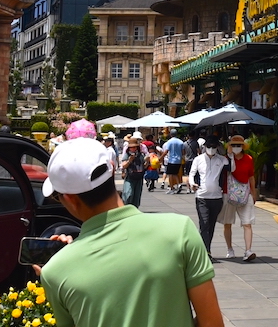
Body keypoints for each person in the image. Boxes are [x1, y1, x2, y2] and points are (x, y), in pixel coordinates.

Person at [38, 138, 223, 327]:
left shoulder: (56, 272)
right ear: (112, 170)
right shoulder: (179, 230)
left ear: (69, 199)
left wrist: (65, 261)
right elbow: (212, 322)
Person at [219, 134, 258, 261]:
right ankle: (229, 249)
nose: (236, 148)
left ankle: (248, 250)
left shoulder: (248, 159)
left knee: (247, 223)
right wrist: (230, 156)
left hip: (245, 193)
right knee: (227, 223)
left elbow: (251, 176)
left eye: (239, 145)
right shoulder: (226, 159)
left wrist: (254, 192)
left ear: (243, 147)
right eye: (233, 145)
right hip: (228, 193)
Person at [189, 135, 229, 259]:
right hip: (202, 196)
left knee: (211, 225)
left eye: (214, 147)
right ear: (205, 147)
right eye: (209, 146)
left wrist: (226, 150)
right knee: (204, 223)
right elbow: (191, 174)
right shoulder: (198, 159)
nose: (211, 149)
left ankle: (207, 249)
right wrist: (192, 183)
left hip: (216, 198)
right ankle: (205, 251)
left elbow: (231, 167)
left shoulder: (221, 159)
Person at [121, 136, 147, 207]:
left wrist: (147, 162)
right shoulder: (127, 154)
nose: (133, 149)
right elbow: (123, 165)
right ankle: (126, 207)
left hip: (139, 176)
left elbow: (143, 166)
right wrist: (129, 161)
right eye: (131, 147)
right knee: (128, 193)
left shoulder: (140, 155)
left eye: (135, 147)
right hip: (130, 176)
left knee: (137, 196)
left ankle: (135, 209)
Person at [160, 129, 185, 193]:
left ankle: (172, 188)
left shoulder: (169, 142)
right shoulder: (181, 142)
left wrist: (161, 157)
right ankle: (179, 184)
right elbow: (183, 152)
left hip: (171, 160)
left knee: (170, 174)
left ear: (170, 134)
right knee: (175, 173)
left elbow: (166, 151)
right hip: (178, 160)